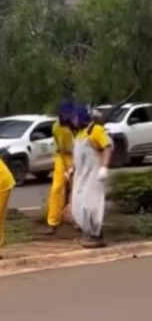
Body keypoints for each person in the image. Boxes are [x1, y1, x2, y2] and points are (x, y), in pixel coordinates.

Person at [71, 105, 113, 248]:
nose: (72, 120)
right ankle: (87, 233)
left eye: (75, 117)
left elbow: (107, 147)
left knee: (91, 204)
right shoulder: (79, 134)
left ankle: (96, 235)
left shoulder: (95, 130)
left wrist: (104, 167)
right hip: (81, 175)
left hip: (94, 175)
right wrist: (72, 169)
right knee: (79, 204)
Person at [46, 101, 75, 234]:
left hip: (77, 156)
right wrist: (66, 168)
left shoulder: (77, 125)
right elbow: (60, 148)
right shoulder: (56, 127)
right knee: (57, 188)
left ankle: (81, 221)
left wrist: (74, 166)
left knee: (78, 188)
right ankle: (53, 222)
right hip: (62, 157)